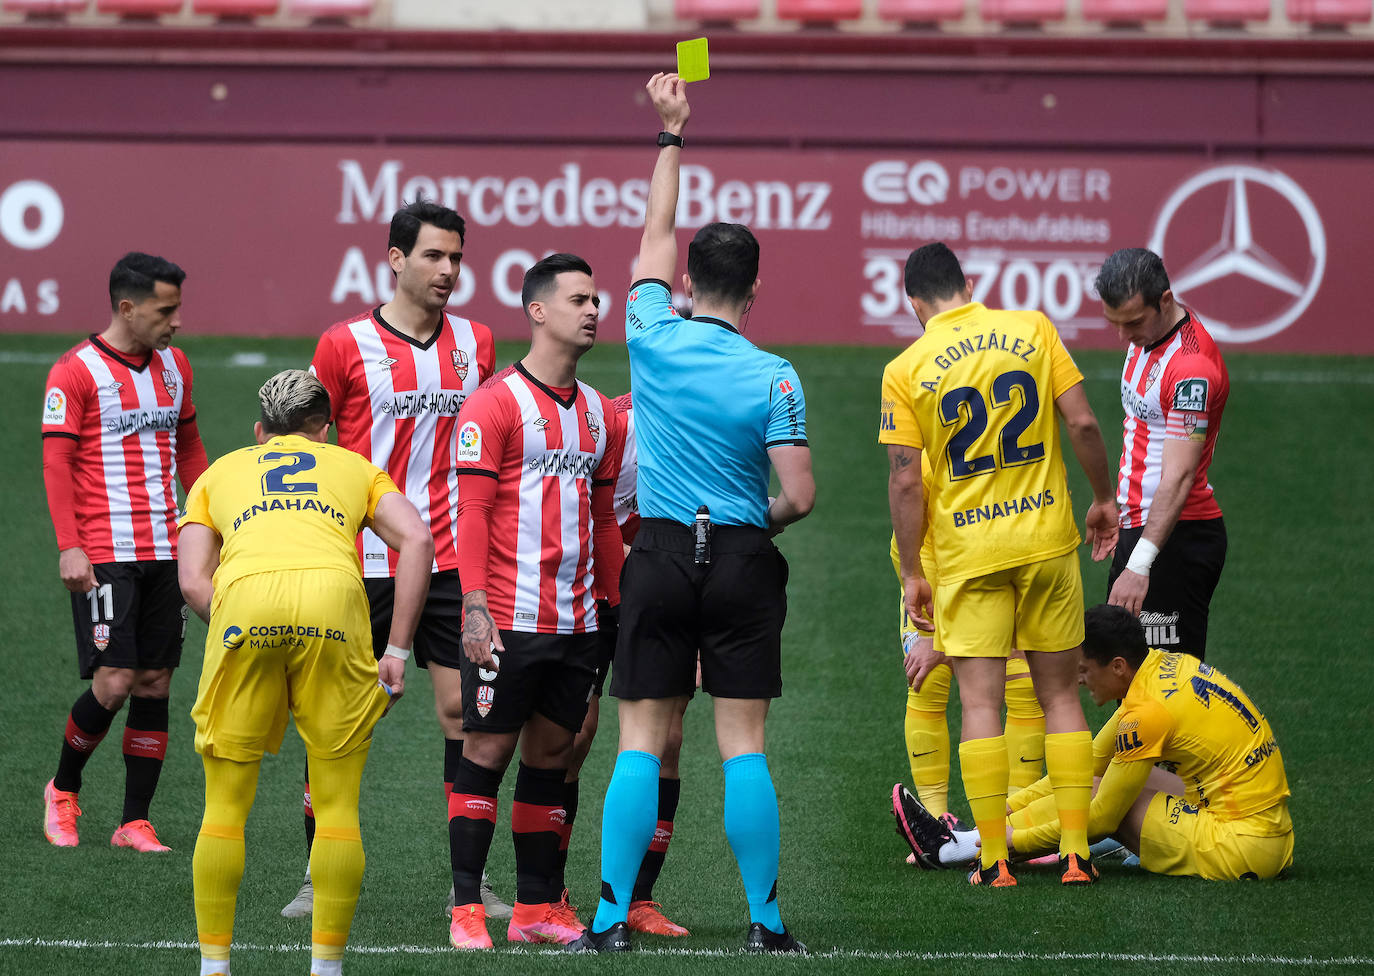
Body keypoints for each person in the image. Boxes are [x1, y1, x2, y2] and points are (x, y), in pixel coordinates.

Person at [573, 72, 815, 955]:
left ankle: (606, 920)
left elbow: (653, 230)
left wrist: (672, 132)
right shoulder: (777, 373)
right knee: (741, 744)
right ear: (753, 294)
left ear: (684, 282)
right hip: (745, 556)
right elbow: (800, 494)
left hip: (663, 555)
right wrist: (759, 520)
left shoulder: (647, 329)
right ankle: (766, 921)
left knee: (641, 738)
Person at [287, 199, 503, 920]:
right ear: (396, 259)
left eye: (457, 257)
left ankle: (468, 887)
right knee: (337, 721)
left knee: (462, 713)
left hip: (444, 560)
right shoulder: (342, 344)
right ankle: (318, 874)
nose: (448, 270)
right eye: (435, 256)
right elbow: (310, 451)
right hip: (354, 560)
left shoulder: (477, 342)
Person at [178, 369, 433, 976]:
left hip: (244, 604)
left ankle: (214, 967)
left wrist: (242, 622)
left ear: (260, 431)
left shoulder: (218, 474)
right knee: (338, 801)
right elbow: (418, 541)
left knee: (225, 805)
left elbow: (192, 579)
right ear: (327, 430)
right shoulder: (354, 468)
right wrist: (395, 650)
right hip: (334, 607)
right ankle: (326, 968)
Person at [880, 241, 1118, 888]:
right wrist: (1102, 499)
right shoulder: (1033, 329)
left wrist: (911, 572)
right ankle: (1075, 854)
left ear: (914, 303)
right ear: (970, 284)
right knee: (1061, 695)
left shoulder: (906, 367)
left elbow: (906, 483)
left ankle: (992, 860)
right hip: (1047, 541)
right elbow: (1086, 425)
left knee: (980, 705)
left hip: (968, 554)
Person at [445, 252, 627, 950]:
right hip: (508, 619)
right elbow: (473, 512)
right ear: (538, 310)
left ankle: (531, 910)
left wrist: (616, 603)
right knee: (486, 752)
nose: (593, 311)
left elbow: (606, 521)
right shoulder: (492, 403)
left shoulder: (597, 414)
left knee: (551, 758)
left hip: (578, 622)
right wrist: (474, 604)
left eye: (596, 299)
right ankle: (466, 908)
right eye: (579, 299)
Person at [899, 605, 1293, 882]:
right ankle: (970, 840)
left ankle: (961, 849)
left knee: (1102, 799)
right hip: (1264, 831)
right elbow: (1086, 763)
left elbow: (1103, 816)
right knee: (1088, 781)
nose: (1080, 680)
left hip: (1240, 847)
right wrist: (1006, 807)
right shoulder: (1159, 669)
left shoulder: (1147, 713)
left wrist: (1013, 838)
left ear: (1118, 665)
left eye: (1084, 670)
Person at [40, 251, 208, 853]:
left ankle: (134, 820)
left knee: (156, 682)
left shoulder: (175, 366)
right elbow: (56, 463)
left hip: (169, 545)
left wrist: (211, 518)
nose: (177, 322)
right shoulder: (76, 371)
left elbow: (188, 448)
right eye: (167, 310)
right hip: (106, 549)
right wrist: (69, 547)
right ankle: (63, 789)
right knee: (114, 681)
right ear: (127, 307)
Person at [557, 391, 690, 937]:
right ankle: (549, 891)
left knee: (670, 739)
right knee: (573, 735)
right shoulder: (616, 421)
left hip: (663, 590)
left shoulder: (706, 412)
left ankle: (639, 899)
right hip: (593, 589)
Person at [1096, 248, 1229, 660]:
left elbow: (1179, 476)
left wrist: (1141, 565)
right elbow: (1142, 428)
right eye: (1114, 322)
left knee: (1165, 690)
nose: (1123, 335)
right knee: (1126, 677)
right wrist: (1114, 503)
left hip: (1174, 539)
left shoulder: (1190, 371)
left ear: (1165, 301)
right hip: (1141, 528)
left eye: (1132, 322)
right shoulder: (1148, 332)